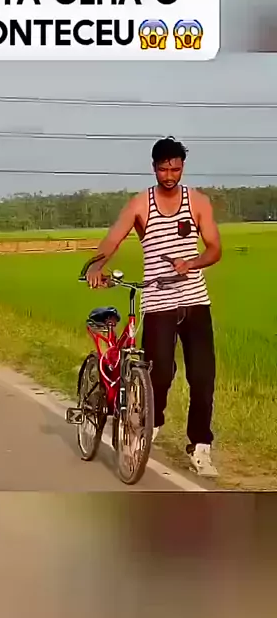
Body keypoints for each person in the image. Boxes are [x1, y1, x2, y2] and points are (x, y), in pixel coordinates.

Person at [86, 136, 222, 477]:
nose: (169, 175)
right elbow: (113, 238)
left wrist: (192, 263)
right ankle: (153, 421)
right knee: (158, 374)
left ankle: (200, 446)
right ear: (154, 168)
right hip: (159, 303)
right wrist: (96, 265)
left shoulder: (198, 202)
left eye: (175, 169)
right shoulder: (140, 204)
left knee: (202, 377)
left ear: (182, 167)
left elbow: (214, 248)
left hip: (195, 300)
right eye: (163, 169)